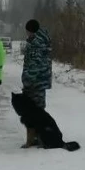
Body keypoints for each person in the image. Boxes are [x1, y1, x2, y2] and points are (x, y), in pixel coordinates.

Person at [21, 19, 52, 147]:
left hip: (35, 83)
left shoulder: (35, 45)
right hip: (41, 81)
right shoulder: (43, 41)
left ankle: (37, 138)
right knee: (39, 111)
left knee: (33, 112)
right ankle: (38, 137)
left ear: (30, 31)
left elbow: (35, 65)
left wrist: (27, 80)